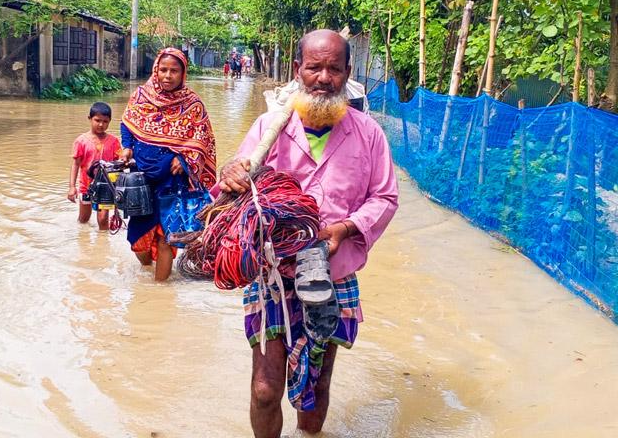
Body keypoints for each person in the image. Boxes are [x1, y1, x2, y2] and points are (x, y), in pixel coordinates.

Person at [218, 29, 399, 438]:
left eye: (333, 69)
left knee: (315, 390)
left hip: (332, 275)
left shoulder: (368, 134)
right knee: (265, 390)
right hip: (271, 274)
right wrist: (231, 174)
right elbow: (231, 187)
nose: (322, 77)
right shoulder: (269, 127)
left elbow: (385, 197)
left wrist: (344, 227)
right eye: (314, 67)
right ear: (297, 70)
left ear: (347, 74)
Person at [119, 47, 217, 281]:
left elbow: (202, 138)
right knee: (138, 240)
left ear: (183, 74)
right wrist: (127, 146)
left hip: (173, 182)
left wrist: (184, 159)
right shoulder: (141, 96)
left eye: (174, 70)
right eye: (163, 69)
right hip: (143, 179)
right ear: (156, 70)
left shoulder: (193, 104)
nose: (167, 75)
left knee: (166, 238)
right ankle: (147, 271)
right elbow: (127, 123)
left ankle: (160, 293)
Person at [68, 102, 122, 229]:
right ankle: (83, 244)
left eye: (105, 121)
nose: (101, 124)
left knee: (103, 220)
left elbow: (119, 164)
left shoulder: (114, 142)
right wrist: (72, 187)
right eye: (97, 120)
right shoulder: (81, 141)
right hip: (86, 186)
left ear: (109, 121)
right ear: (89, 119)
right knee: (84, 219)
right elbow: (75, 164)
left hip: (106, 187)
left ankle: (103, 246)